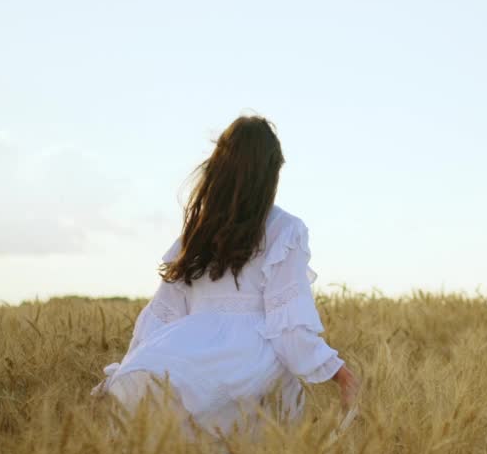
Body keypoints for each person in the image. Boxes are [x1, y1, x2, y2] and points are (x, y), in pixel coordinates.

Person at [93, 115, 358, 436]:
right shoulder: (285, 230)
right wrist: (338, 372)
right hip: (253, 369)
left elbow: (161, 317)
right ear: (269, 174)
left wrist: (130, 370)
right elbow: (289, 329)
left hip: (185, 361)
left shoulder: (198, 231)